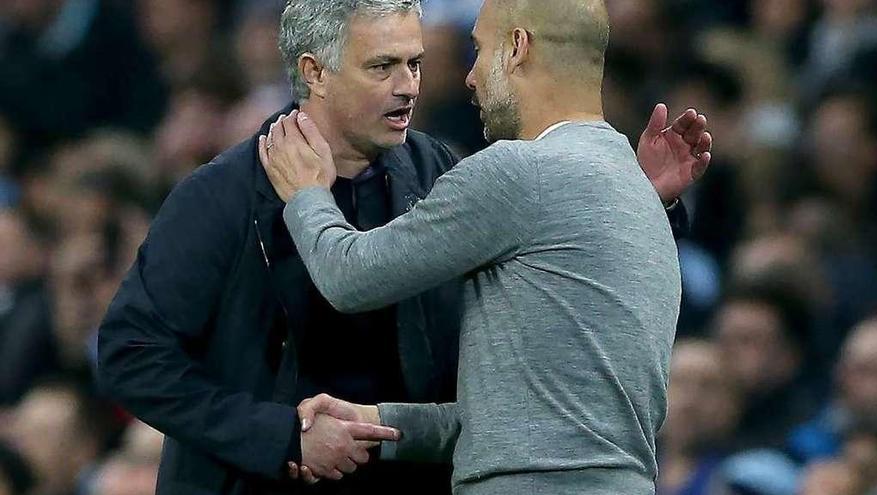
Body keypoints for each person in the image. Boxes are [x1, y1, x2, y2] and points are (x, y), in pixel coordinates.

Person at [98, 0, 710, 494]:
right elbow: (131, 353)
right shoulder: (220, 195)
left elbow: (534, 303)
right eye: (382, 66)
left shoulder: (450, 172)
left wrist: (631, 199)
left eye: (415, 64)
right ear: (314, 72)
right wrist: (280, 435)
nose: (409, 87)